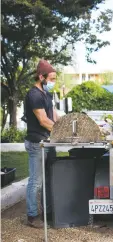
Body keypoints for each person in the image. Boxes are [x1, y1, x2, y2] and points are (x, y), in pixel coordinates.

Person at [24, 59, 59, 228]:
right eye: (51, 79)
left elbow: (53, 115)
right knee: (36, 181)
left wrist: (65, 124)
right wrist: (61, 132)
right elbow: (44, 121)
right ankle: (32, 216)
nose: (53, 82)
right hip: (37, 143)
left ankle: (48, 212)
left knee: (49, 179)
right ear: (41, 77)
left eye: (54, 79)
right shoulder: (34, 95)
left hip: (48, 142)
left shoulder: (47, 94)